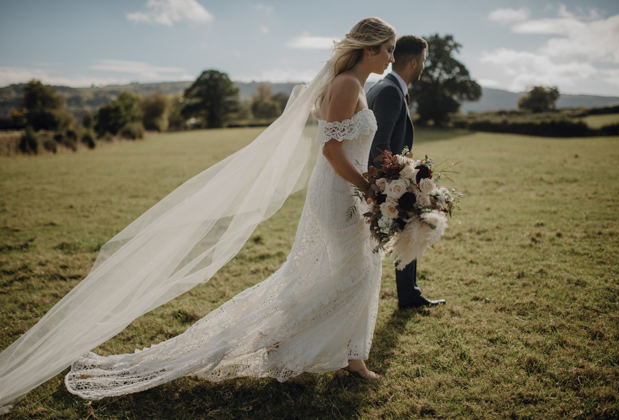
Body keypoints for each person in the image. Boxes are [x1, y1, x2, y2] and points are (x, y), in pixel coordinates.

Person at [0, 18, 396, 410]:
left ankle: (346, 356)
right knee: (353, 272)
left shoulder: (356, 85)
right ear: (369, 48)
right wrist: (368, 188)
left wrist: (382, 183)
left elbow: (349, 148)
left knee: (354, 271)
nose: (392, 57)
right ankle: (278, 339)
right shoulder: (346, 85)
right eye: (389, 49)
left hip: (353, 190)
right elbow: (331, 151)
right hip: (343, 192)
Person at [367, 35, 447, 309]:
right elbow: (380, 145)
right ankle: (409, 295)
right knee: (413, 224)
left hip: (391, 176)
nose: (424, 65)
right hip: (389, 180)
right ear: (413, 62)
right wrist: (398, 182)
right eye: (423, 60)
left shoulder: (383, 86)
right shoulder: (389, 91)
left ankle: (409, 293)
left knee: (410, 228)